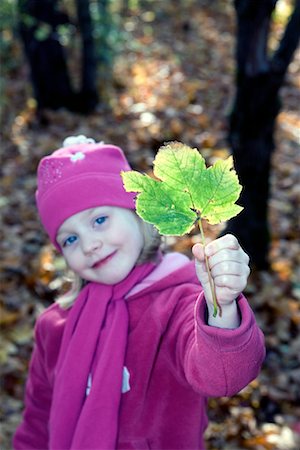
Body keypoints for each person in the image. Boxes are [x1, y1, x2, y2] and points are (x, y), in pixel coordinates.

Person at [13, 135, 265, 450]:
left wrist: (222, 305)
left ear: (138, 214)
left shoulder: (179, 301)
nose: (89, 244)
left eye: (100, 220)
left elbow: (224, 376)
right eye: (70, 239)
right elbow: (38, 416)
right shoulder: (55, 326)